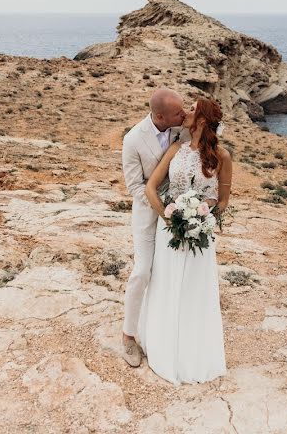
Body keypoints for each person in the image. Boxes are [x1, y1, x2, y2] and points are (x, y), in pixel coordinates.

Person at [137, 97, 232, 384]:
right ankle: (162, 346)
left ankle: (192, 355)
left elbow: (224, 200)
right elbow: (151, 188)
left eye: (192, 110)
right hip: (171, 233)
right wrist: (170, 219)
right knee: (166, 287)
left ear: (202, 119)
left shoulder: (222, 157)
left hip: (199, 236)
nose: (186, 113)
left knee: (194, 293)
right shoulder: (176, 149)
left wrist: (200, 220)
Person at [120, 88, 190, 367]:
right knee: (141, 272)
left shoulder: (181, 127)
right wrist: (163, 207)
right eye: (178, 113)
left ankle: (166, 330)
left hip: (182, 211)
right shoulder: (133, 139)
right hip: (149, 217)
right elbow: (134, 186)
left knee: (170, 273)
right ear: (160, 116)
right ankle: (128, 336)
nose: (183, 115)